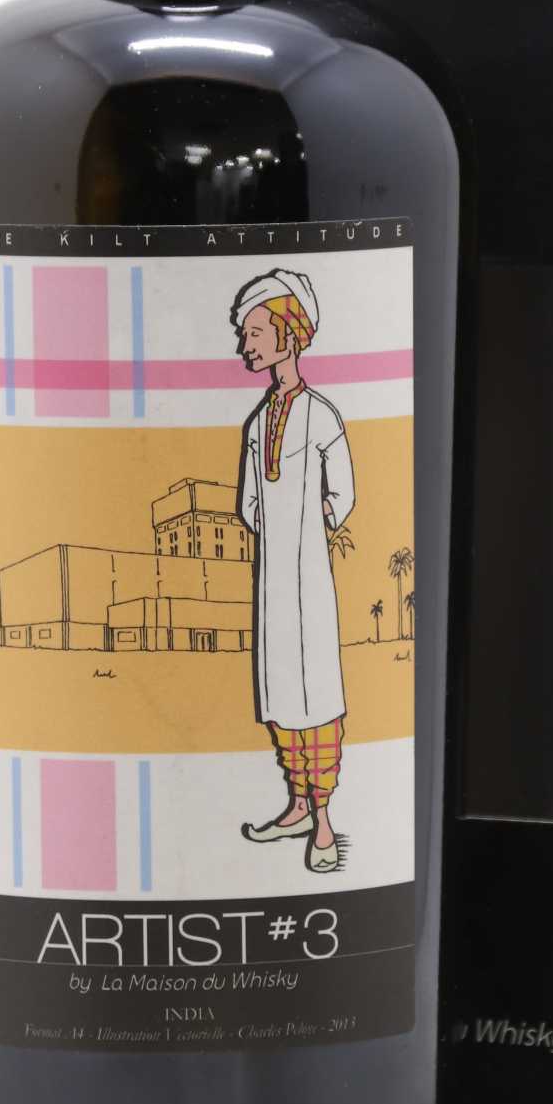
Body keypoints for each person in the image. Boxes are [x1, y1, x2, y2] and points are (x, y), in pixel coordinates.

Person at [232, 269, 355, 873]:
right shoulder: (258, 424)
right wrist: (275, 528)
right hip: (273, 578)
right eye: (244, 335)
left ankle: (324, 820)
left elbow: (344, 492)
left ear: (287, 334)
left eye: (254, 333)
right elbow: (248, 503)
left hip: (310, 577)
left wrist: (310, 524)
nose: (245, 345)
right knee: (280, 688)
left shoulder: (322, 415)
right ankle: (298, 804)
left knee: (317, 689)